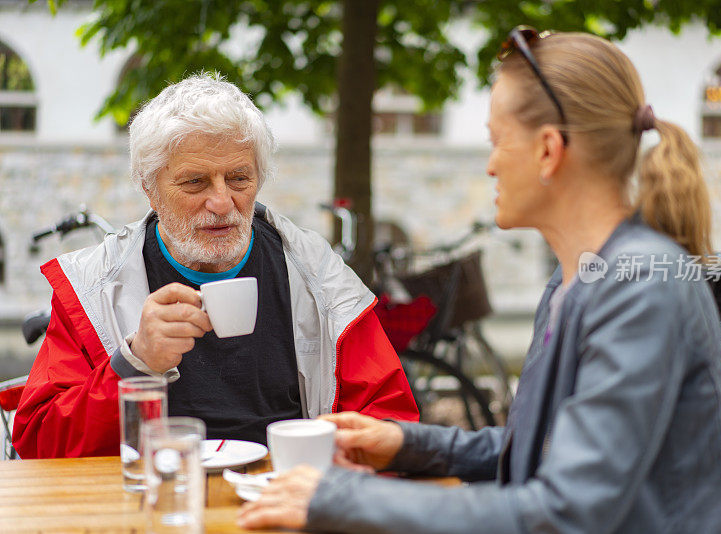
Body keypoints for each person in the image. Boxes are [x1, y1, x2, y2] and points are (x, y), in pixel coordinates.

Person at [236, 28, 721, 533]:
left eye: (498, 141)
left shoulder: (638, 288)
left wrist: (340, 497)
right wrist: (407, 444)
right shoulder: (575, 280)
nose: (490, 165)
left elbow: (565, 513)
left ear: (549, 150)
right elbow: (540, 447)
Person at [12, 74, 418, 459]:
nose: (222, 202)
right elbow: (40, 441)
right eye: (195, 183)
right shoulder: (94, 286)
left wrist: (325, 464)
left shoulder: (319, 276)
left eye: (239, 178)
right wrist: (134, 362)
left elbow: (389, 418)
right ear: (149, 189)